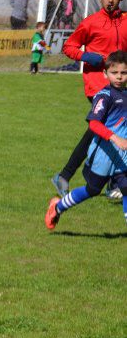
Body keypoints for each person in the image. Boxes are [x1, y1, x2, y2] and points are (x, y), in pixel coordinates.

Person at [51, 0, 127, 198]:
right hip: (98, 85)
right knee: (102, 127)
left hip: (120, 83)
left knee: (109, 130)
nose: (110, 0)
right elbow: (69, 47)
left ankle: (106, 179)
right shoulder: (90, 22)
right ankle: (77, 176)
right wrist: (88, 56)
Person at [45, 50, 127, 230]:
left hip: (123, 154)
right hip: (104, 152)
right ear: (105, 74)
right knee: (93, 190)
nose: (119, 77)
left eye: (123, 72)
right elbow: (94, 124)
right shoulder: (104, 96)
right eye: (115, 73)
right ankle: (57, 207)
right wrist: (115, 138)